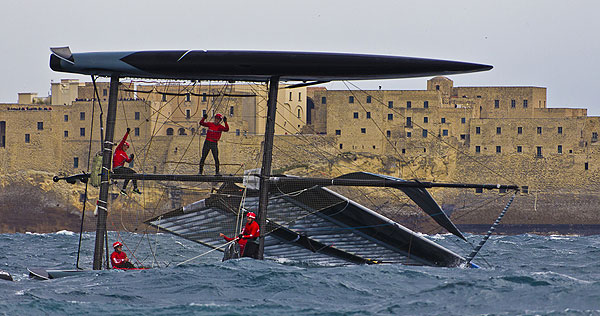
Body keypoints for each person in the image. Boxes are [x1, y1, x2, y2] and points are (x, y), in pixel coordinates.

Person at [113, 128, 141, 195]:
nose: (126, 148)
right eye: (125, 146)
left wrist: (131, 158)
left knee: (133, 173)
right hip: (117, 168)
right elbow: (123, 140)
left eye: (127, 147)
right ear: (123, 146)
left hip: (121, 169)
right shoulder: (118, 149)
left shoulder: (125, 154)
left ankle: (131, 188)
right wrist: (127, 133)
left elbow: (128, 161)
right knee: (130, 173)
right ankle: (127, 189)